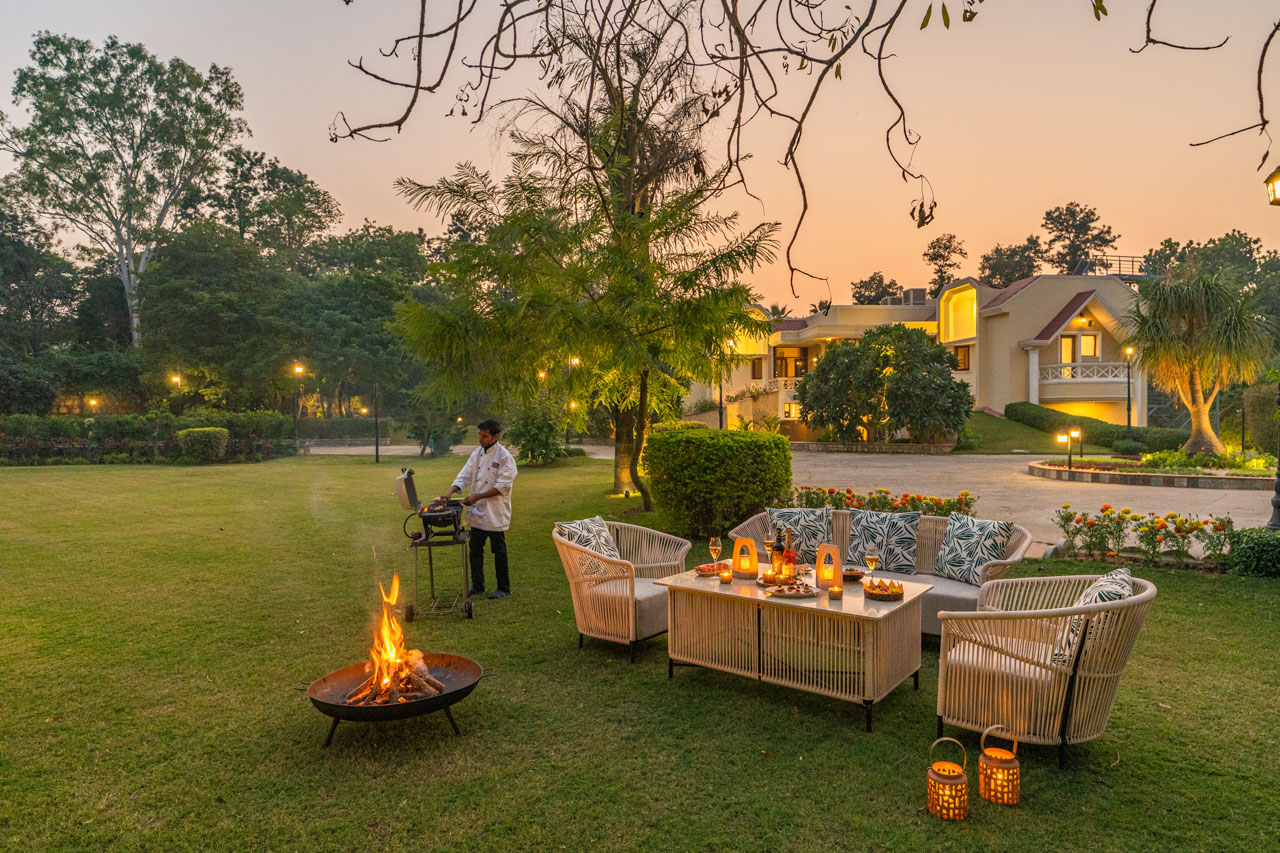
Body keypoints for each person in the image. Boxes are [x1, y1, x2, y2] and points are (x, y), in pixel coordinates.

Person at [441, 419, 518, 599]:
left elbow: (502, 487)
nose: (480, 439)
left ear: (495, 436)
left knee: (498, 551)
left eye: (484, 436)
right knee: (475, 550)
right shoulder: (477, 453)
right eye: (479, 435)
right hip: (477, 512)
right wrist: (450, 492)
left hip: (495, 512)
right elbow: (465, 475)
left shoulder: (505, 457)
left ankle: (504, 588)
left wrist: (476, 497)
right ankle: (478, 586)